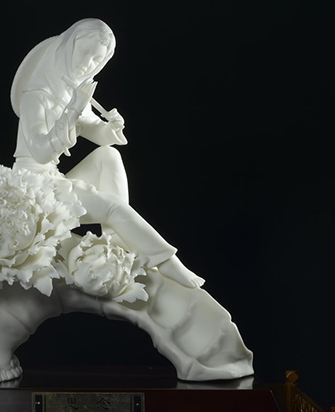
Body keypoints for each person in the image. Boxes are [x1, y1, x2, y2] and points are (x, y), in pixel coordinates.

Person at [11, 19, 204, 289]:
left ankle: (119, 244)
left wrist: (112, 127)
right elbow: (41, 152)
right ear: (67, 47)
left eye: (96, 59)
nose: (87, 63)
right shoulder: (36, 96)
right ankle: (165, 260)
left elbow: (97, 133)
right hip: (31, 187)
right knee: (113, 207)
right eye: (83, 52)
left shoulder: (72, 95)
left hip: (51, 179)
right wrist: (73, 109)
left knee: (108, 156)